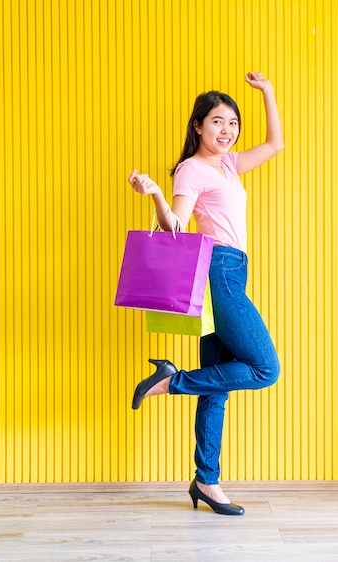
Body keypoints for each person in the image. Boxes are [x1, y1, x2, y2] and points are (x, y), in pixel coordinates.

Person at [128, 72, 284, 516]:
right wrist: (157, 193)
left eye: (233, 123)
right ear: (198, 125)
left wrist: (268, 93)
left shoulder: (228, 164)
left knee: (217, 387)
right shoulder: (191, 169)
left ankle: (206, 481)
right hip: (218, 271)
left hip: (233, 270)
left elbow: (274, 145)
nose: (227, 131)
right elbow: (174, 227)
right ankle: (170, 382)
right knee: (263, 367)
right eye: (218, 122)